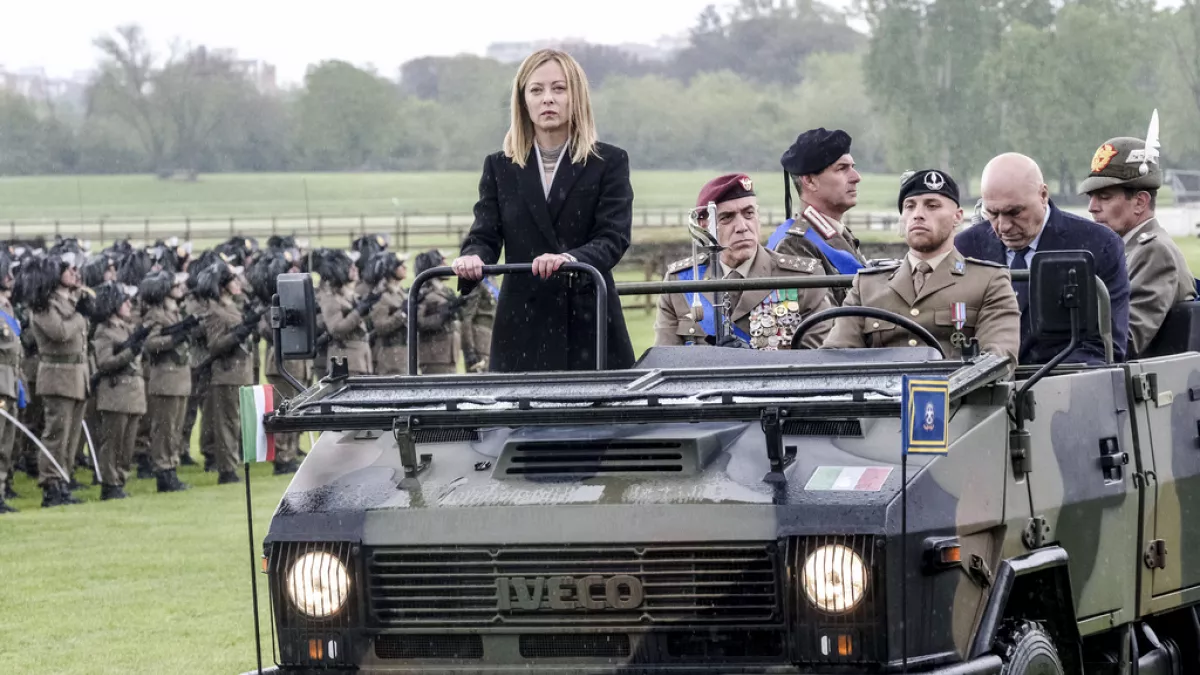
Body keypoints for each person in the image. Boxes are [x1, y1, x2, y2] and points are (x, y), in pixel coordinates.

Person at [451, 48, 636, 372]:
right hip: (522, 325)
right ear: (523, 101)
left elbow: (613, 237)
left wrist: (570, 260)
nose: (547, 98)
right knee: (517, 406)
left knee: (598, 406)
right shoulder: (500, 167)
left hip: (588, 322)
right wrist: (473, 257)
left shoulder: (608, 162)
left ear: (576, 96)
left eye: (559, 88)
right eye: (536, 90)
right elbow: (485, 234)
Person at [822, 170, 1021, 366]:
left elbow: (997, 360)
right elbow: (835, 358)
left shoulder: (988, 282)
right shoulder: (868, 286)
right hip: (879, 387)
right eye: (909, 206)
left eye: (932, 206)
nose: (918, 215)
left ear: (957, 217)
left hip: (958, 388)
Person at [955, 152, 1131, 365]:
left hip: (1063, 379)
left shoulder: (1099, 246)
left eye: (1015, 212)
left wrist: (1044, 380)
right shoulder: (966, 248)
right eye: (992, 213)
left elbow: (1104, 346)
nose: (1003, 226)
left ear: (1043, 195)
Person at [654, 173, 834, 349]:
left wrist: (753, 360)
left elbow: (815, 360)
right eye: (727, 218)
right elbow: (666, 359)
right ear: (704, 228)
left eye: (748, 213)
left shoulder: (803, 279)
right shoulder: (680, 282)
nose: (742, 227)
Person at [1079, 135, 1195, 358]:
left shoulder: (1154, 252)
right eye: (1091, 197)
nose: (1092, 207)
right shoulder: (1127, 250)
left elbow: (1123, 341)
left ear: (1140, 202)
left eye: (1104, 197)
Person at [767, 128, 867, 303]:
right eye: (842, 168)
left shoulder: (838, 233)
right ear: (810, 181)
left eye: (853, 167)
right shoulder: (794, 245)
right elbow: (819, 316)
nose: (856, 177)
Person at [28, 254, 89, 507]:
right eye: (68, 269)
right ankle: (51, 484)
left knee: (71, 436)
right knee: (57, 434)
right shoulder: (44, 304)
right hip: (58, 375)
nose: (74, 273)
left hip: (76, 374)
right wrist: (80, 315)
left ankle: (63, 478)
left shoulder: (69, 301)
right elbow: (60, 332)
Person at [197, 261, 254, 485]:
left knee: (236, 422)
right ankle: (227, 469)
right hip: (227, 373)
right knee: (227, 424)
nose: (237, 283)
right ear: (222, 286)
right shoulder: (215, 311)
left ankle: (232, 463)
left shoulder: (232, 306)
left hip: (241, 371)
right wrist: (237, 334)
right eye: (232, 280)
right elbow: (214, 345)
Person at [250, 250, 307, 474]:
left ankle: (290, 452)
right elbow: (269, 333)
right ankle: (282, 456)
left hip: (297, 362)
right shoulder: (270, 305)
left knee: (296, 410)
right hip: (281, 362)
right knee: (285, 410)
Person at [90, 282, 148, 500]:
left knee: (127, 443)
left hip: (132, 391)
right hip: (116, 392)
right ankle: (109, 482)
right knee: (113, 442)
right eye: (124, 301)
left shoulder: (126, 328)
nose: (129, 305)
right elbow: (104, 362)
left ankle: (120, 479)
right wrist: (129, 353)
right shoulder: (104, 332)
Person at [139, 270, 192, 492]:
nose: (179, 288)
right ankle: (163, 469)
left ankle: (171, 466)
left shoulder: (174, 312)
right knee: (165, 429)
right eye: (174, 285)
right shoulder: (155, 315)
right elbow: (150, 344)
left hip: (178, 378)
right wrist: (173, 339)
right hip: (165, 378)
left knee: (175, 428)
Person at [315, 248, 377, 376]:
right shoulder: (330, 298)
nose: (355, 269)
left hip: (360, 360)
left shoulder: (350, 295)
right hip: (345, 361)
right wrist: (358, 312)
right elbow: (336, 329)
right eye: (350, 267)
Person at [413, 250, 463, 375]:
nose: (446, 265)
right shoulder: (423, 292)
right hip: (434, 355)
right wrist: (442, 315)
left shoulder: (446, 291)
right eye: (442, 262)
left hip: (449, 354)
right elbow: (418, 322)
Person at [365, 251, 410, 376]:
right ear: (391, 269)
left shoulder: (401, 292)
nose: (405, 267)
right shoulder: (382, 295)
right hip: (389, 355)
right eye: (400, 265)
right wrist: (402, 314)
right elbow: (381, 326)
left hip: (403, 353)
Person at [0, 255, 21, 513]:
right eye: (6, 273)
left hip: (11, 382)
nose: (10, 278)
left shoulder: (7, 307)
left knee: (6, 444)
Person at [460, 275, 498, 372]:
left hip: (490, 341)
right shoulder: (476, 282)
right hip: (479, 344)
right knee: (480, 379)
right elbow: (466, 318)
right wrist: (470, 350)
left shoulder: (491, 280)